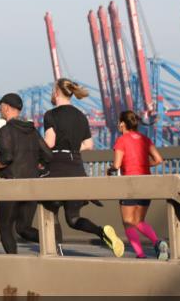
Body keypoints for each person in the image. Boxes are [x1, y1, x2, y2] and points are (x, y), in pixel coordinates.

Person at [41, 78, 124, 257]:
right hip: (77, 168)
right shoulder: (81, 115)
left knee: (51, 211)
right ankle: (101, 232)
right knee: (73, 218)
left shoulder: (50, 115)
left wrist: (36, 147)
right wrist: (71, 149)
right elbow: (88, 144)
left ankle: (57, 252)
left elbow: (50, 142)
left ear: (56, 93)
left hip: (56, 168)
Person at [0, 92, 51, 254]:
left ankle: (13, 260)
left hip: (11, 186)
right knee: (23, 228)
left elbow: (7, 158)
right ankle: (52, 242)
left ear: (7, 108)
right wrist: (39, 166)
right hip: (30, 186)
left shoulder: (5, 131)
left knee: (5, 226)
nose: (0, 110)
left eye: (1, 107)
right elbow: (48, 155)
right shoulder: (32, 131)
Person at [111, 110, 167, 259]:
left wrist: (109, 169)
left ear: (123, 123)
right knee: (139, 221)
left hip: (130, 184)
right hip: (146, 182)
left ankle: (140, 254)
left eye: (118, 122)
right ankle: (157, 242)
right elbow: (158, 159)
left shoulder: (121, 140)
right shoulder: (145, 139)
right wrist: (142, 164)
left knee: (128, 222)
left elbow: (116, 165)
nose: (118, 124)